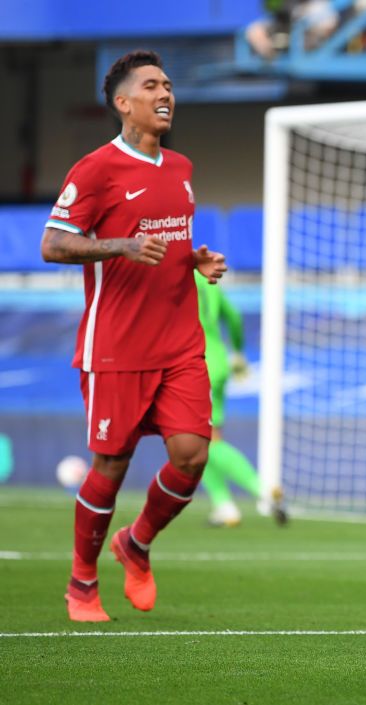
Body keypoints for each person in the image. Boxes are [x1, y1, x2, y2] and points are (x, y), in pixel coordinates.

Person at [40, 50, 227, 622]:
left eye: (169, 84)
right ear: (124, 103)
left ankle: (137, 544)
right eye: (152, 85)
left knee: (193, 455)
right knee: (112, 465)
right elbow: (53, 244)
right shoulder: (95, 170)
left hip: (179, 342)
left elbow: (166, 242)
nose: (165, 93)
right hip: (116, 347)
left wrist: (195, 260)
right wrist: (120, 245)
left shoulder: (182, 169)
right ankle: (81, 583)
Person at [195, 271, 287, 527]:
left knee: (200, 441)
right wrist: (237, 351)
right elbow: (233, 317)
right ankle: (225, 507)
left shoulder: (174, 275)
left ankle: (263, 490)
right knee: (200, 444)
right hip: (217, 360)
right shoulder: (203, 275)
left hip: (194, 364)